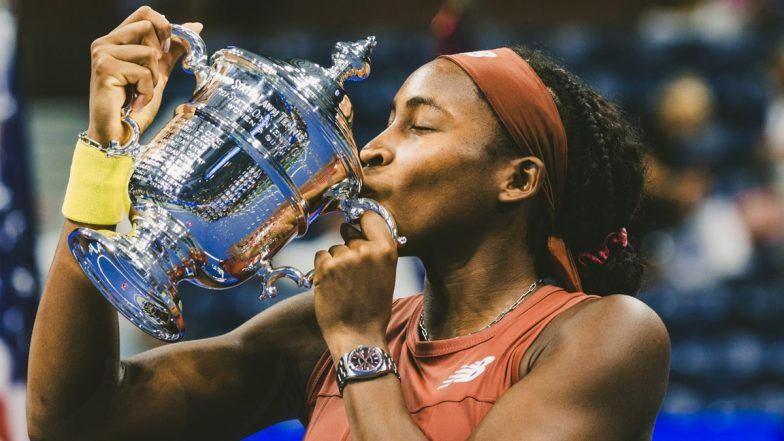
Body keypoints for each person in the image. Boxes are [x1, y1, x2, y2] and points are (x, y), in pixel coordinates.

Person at [27, 6, 670, 441]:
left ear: (517, 180)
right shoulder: (316, 332)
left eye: (419, 126)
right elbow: (75, 421)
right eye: (386, 120)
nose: (370, 151)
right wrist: (105, 159)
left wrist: (360, 344)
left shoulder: (605, 334)